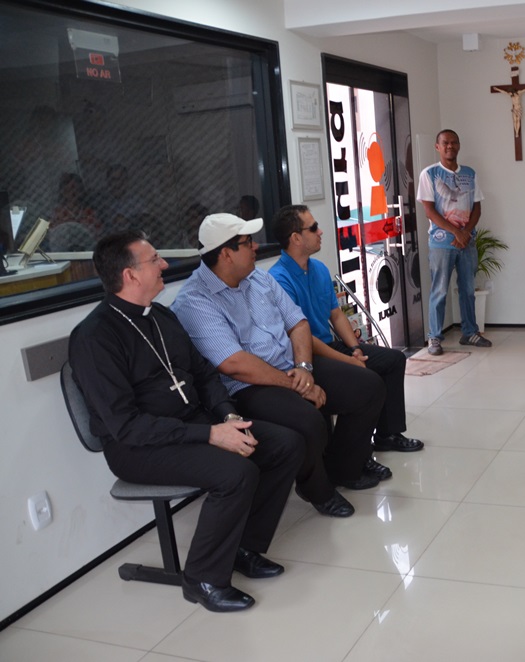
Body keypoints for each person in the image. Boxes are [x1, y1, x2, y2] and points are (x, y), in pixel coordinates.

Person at [69, 230, 304, 613]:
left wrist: (228, 416)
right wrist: (211, 434)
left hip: (192, 423)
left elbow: (204, 374)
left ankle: (243, 547)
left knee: (284, 444)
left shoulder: (162, 316)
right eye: (154, 260)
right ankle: (202, 579)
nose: (164, 264)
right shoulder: (95, 338)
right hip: (137, 447)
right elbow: (126, 426)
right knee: (236, 473)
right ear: (130, 275)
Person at [171, 213, 387, 520]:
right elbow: (234, 364)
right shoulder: (194, 301)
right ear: (226, 254)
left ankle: (343, 468)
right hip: (249, 386)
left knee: (368, 386)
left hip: (294, 366)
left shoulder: (258, 277)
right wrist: (297, 385)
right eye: (248, 242)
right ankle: (318, 490)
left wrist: (304, 369)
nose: (256, 247)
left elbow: (298, 323)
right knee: (308, 420)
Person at [268, 204, 425, 453]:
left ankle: (387, 434)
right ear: (296, 238)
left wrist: (355, 349)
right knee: (365, 380)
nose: (321, 232)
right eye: (314, 228)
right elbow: (302, 336)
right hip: (306, 355)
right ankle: (355, 455)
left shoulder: (319, 268)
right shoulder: (278, 279)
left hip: (330, 345)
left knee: (393, 360)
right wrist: (348, 361)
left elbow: (336, 314)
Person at [416, 129, 492, 356]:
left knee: (468, 289)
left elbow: (477, 208)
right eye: (445, 143)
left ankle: (470, 332)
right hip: (441, 242)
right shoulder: (429, 174)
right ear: (437, 147)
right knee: (439, 290)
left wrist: (465, 233)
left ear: (459, 145)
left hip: (467, 241)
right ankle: (434, 337)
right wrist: (455, 232)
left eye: (454, 142)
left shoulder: (470, 173)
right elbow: (429, 211)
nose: (450, 146)